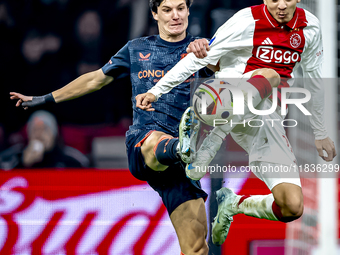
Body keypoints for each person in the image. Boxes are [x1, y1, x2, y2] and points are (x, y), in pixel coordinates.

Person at [10, 0, 216, 254]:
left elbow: (234, 76)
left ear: (188, 10)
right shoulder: (137, 48)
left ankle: (182, 149)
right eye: (167, 9)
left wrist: (210, 54)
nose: (175, 15)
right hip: (145, 143)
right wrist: (46, 97)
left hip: (179, 165)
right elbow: (94, 80)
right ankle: (181, 146)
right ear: (154, 14)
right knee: (157, 140)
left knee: (197, 248)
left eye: (181, 8)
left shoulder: (202, 49)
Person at [135, 0, 337, 246]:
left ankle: (233, 203)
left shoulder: (310, 27)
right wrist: (156, 91)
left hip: (265, 121)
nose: (282, 5)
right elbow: (199, 59)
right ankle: (210, 140)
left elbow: (315, 81)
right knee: (270, 74)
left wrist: (320, 132)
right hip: (218, 101)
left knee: (292, 206)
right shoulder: (246, 21)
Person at [0, 110, 89, 170]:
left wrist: (47, 158)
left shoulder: (70, 159)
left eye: (45, 129)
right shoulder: (15, 157)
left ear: (54, 134)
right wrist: (24, 165)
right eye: (35, 129)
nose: (39, 134)